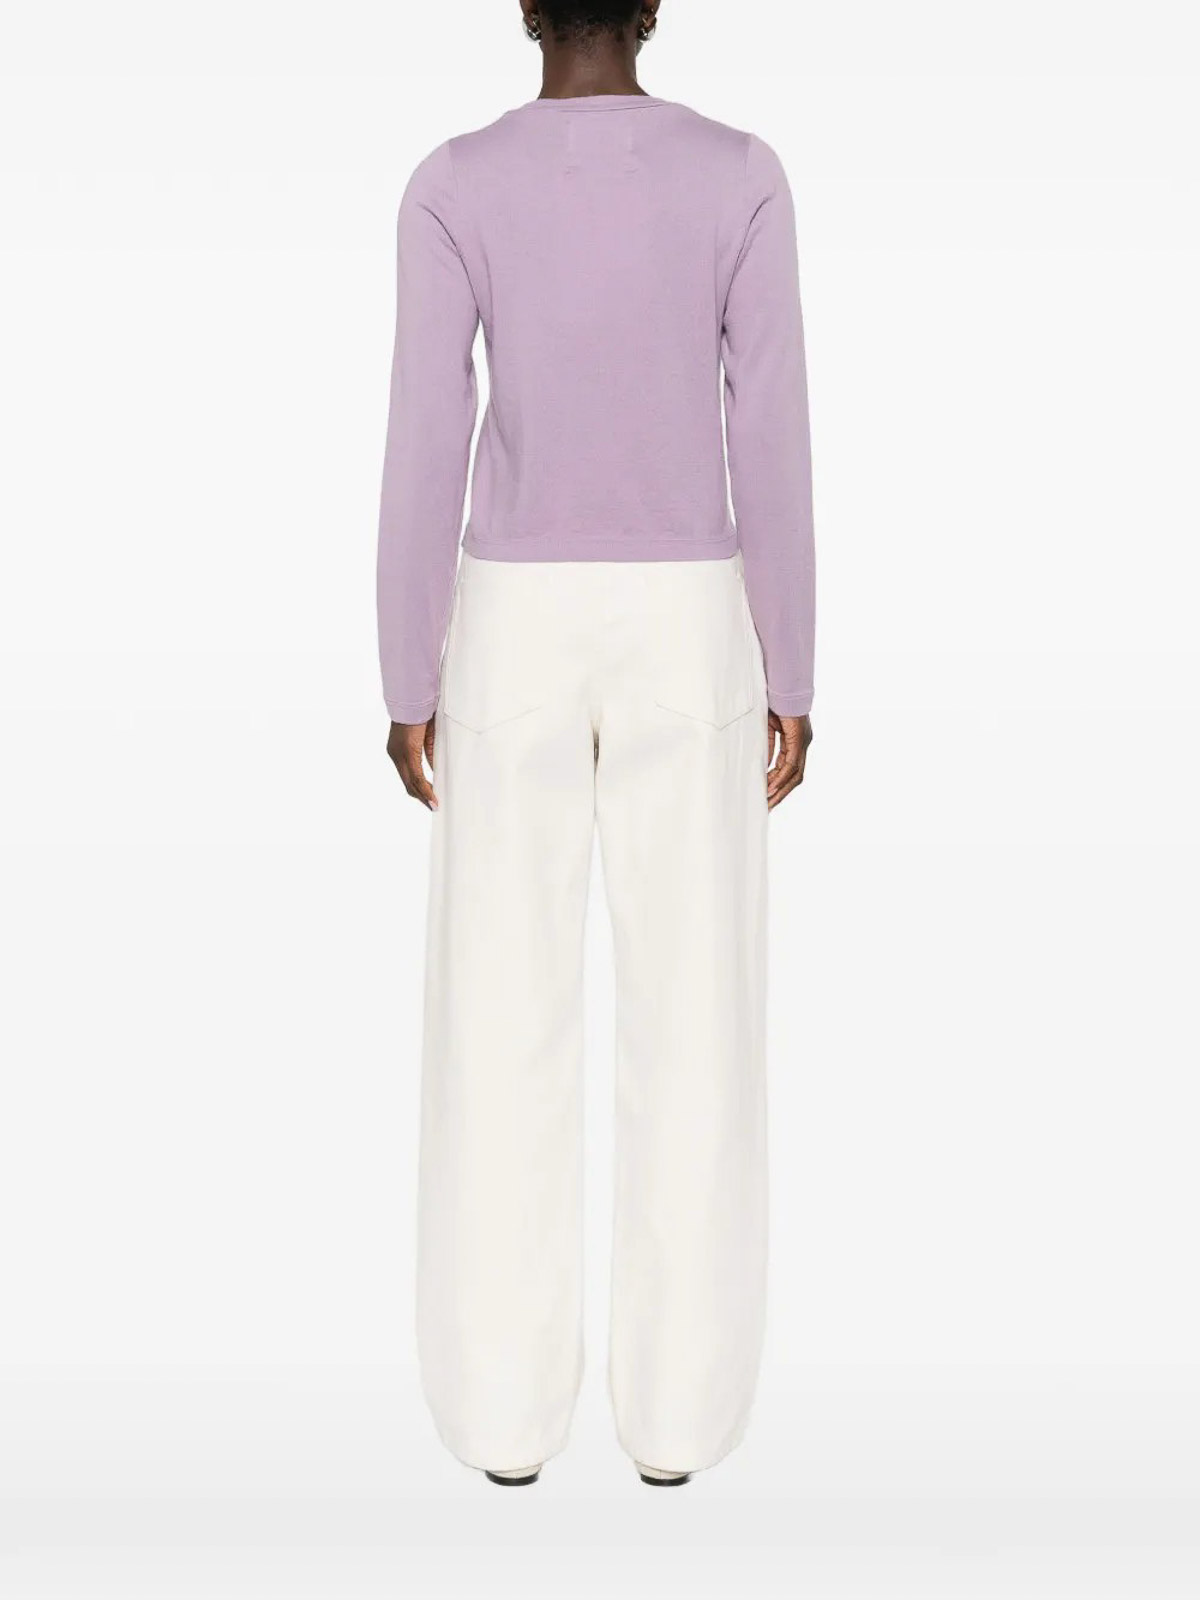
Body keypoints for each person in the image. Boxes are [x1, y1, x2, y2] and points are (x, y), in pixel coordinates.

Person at [377, 0, 815, 1489]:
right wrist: (792, 658)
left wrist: (407, 667)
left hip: (509, 623)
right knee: (697, 1021)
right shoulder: (741, 176)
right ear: (652, 8)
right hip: (692, 618)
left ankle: (502, 1424)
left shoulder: (453, 184)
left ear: (524, 9)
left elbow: (426, 433)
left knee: (499, 1021)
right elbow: (771, 434)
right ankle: (679, 1425)